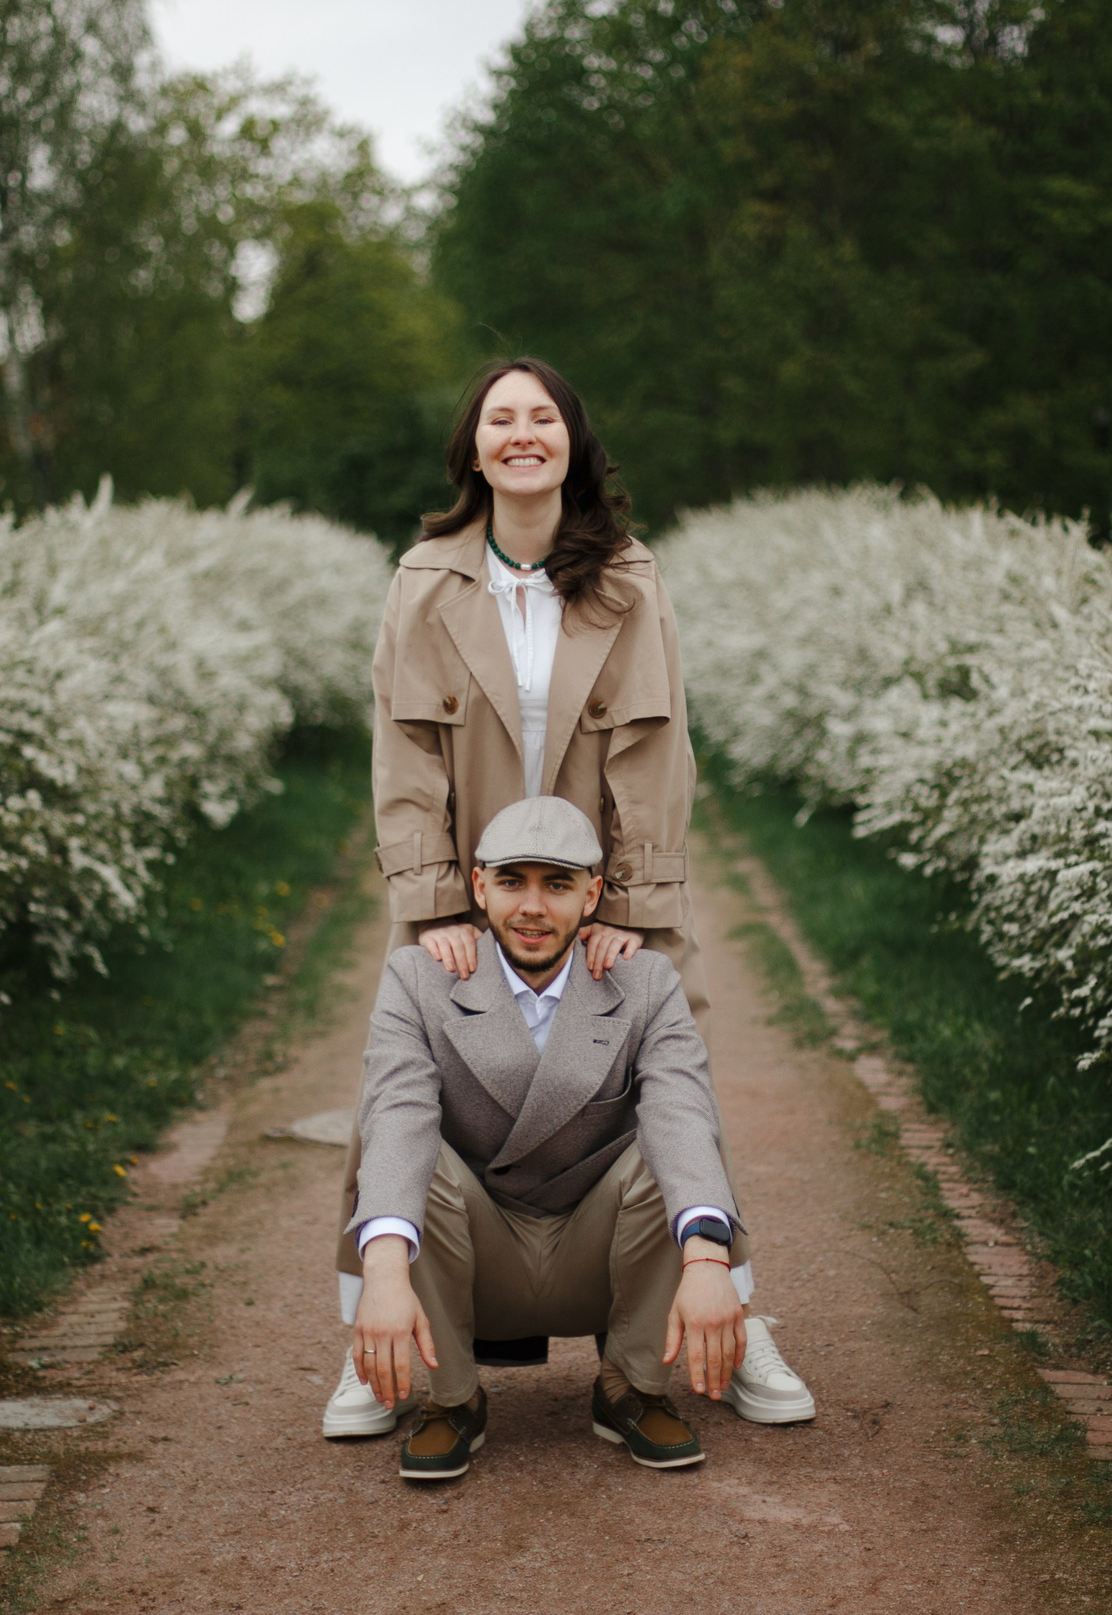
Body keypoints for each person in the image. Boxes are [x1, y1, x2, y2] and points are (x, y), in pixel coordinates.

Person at [320, 355, 812, 1437]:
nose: (522, 433)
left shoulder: (631, 577)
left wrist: (628, 911)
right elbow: (402, 753)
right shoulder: (425, 580)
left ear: (572, 444)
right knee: (409, 1085)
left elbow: (656, 750)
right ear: (476, 449)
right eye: (501, 418)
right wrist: (438, 897)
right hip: (463, 877)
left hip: (615, 883)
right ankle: (377, 1331)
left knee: (672, 1082)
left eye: (543, 416)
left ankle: (725, 1299)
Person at [346, 796, 749, 1479]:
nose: (532, 906)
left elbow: (682, 1108)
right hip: (478, 1260)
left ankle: (631, 1385)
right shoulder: (417, 978)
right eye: (512, 881)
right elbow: (396, 1115)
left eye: (557, 884)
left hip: (603, 1259)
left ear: (593, 894)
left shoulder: (645, 979)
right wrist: (382, 1272)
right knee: (422, 1156)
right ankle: (454, 1400)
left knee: (665, 1139)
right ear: (479, 887)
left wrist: (709, 1261)